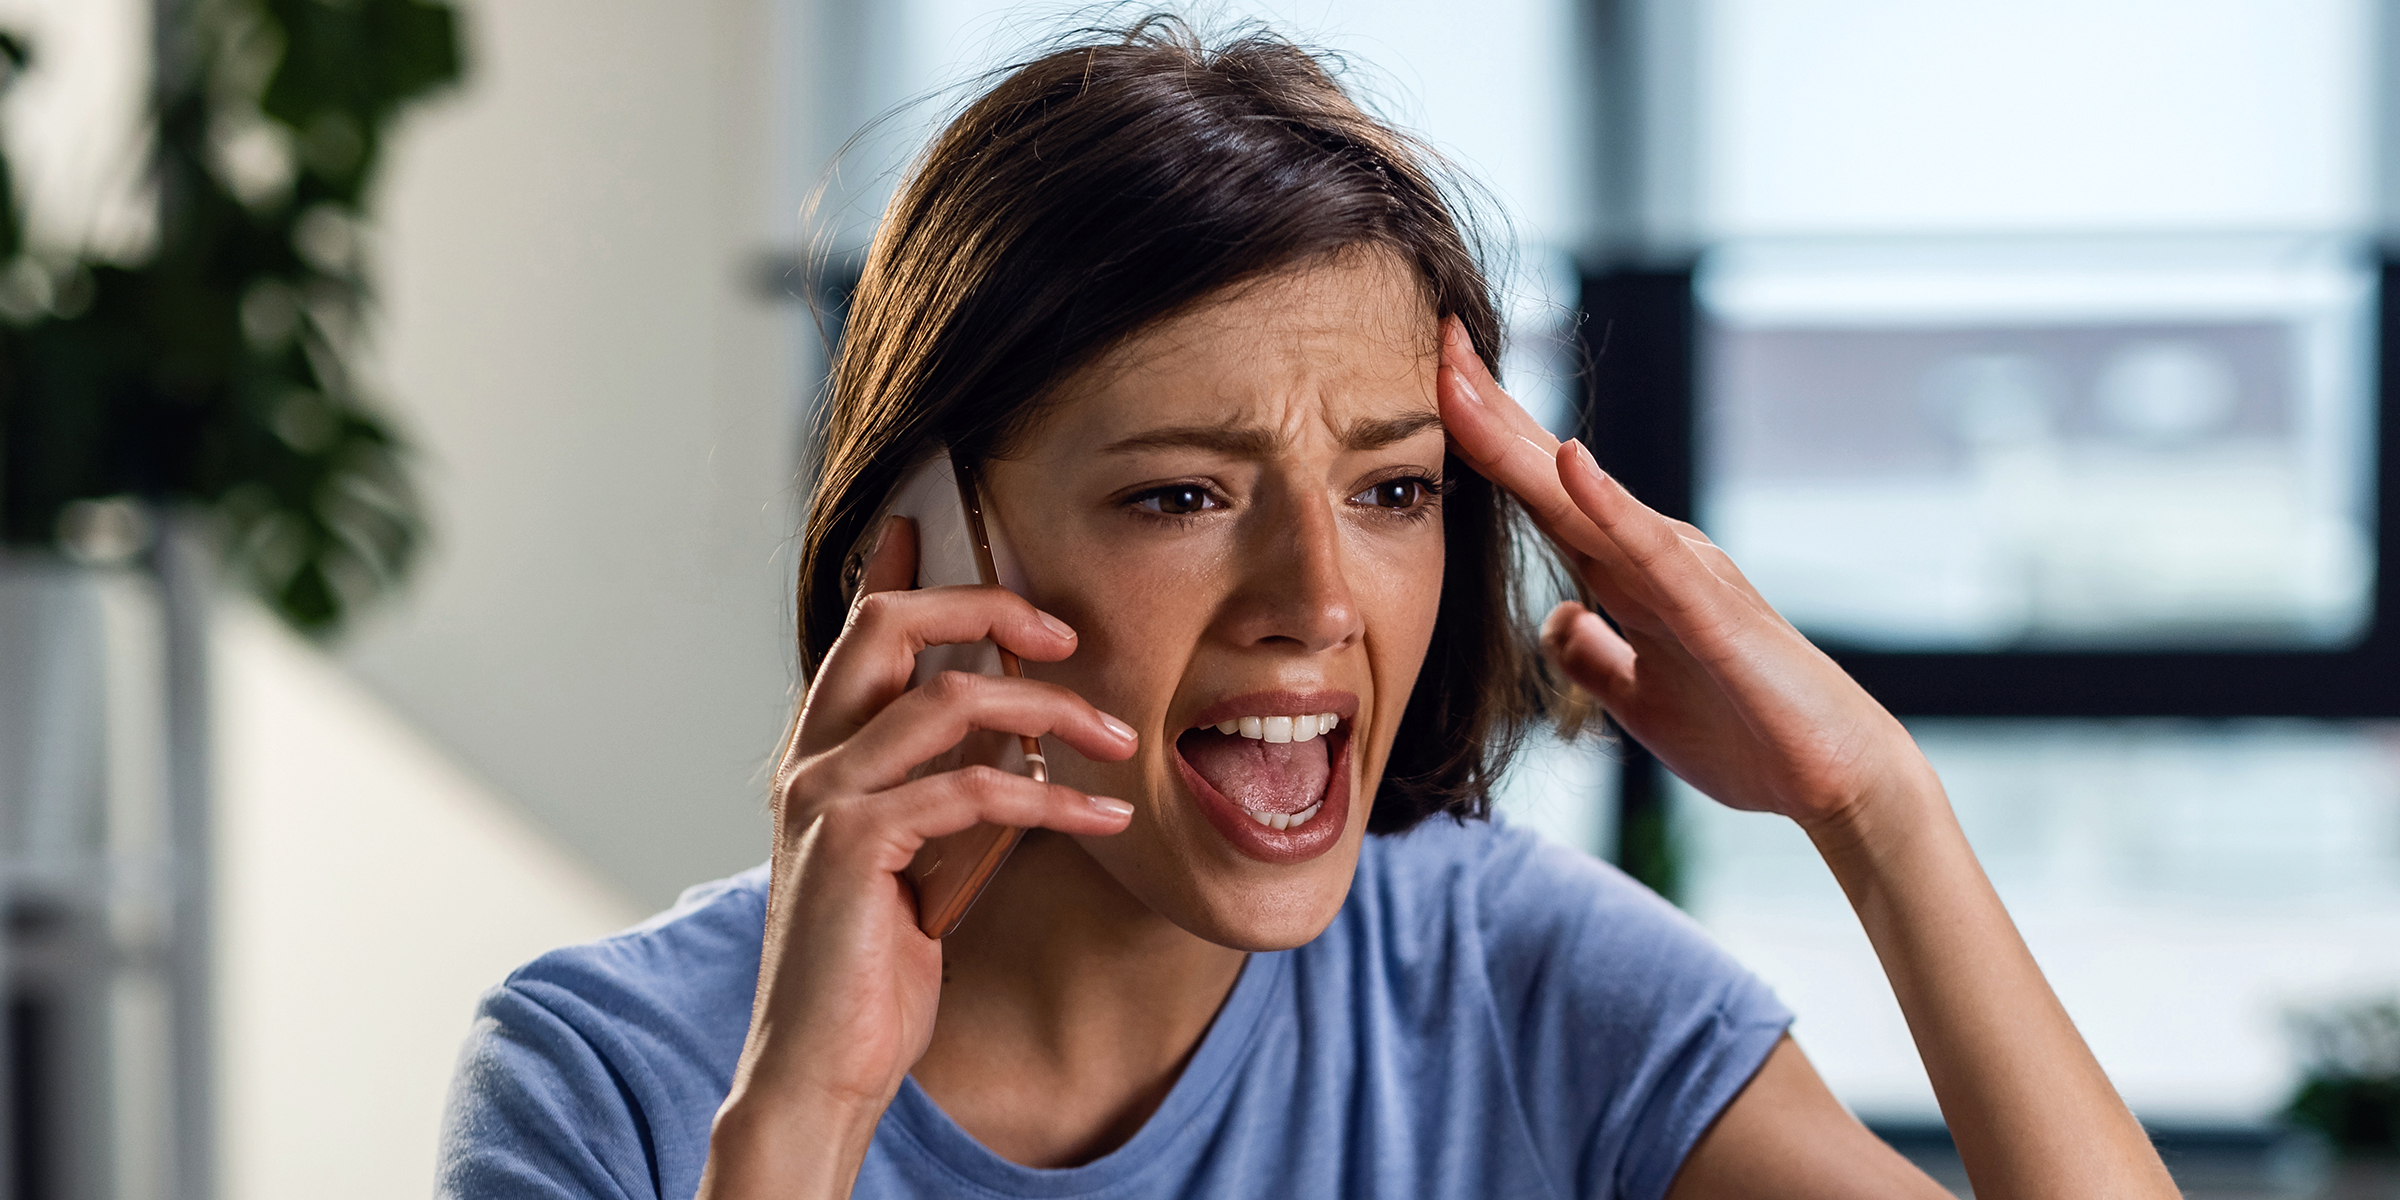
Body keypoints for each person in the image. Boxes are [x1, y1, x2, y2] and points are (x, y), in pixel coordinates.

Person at [437, 20, 2179, 1200]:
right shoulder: (606, 1083)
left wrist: (1879, 812)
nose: (1317, 602)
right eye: (1182, 495)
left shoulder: (1514, 977)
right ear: (932, 541)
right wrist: (805, 1119)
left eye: (1393, 490)